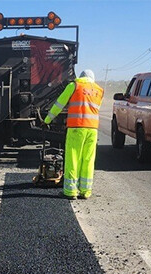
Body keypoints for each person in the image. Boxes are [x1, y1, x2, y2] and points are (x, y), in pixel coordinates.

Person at [43, 69, 104, 200]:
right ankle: (85, 191)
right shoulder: (99, 90)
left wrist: (47, 120)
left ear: (81, 77)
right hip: (92, 129)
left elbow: (59, 104)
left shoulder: (74, 85)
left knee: (73, 158)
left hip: (77, 127)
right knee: (88, 159)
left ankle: (70, 191)